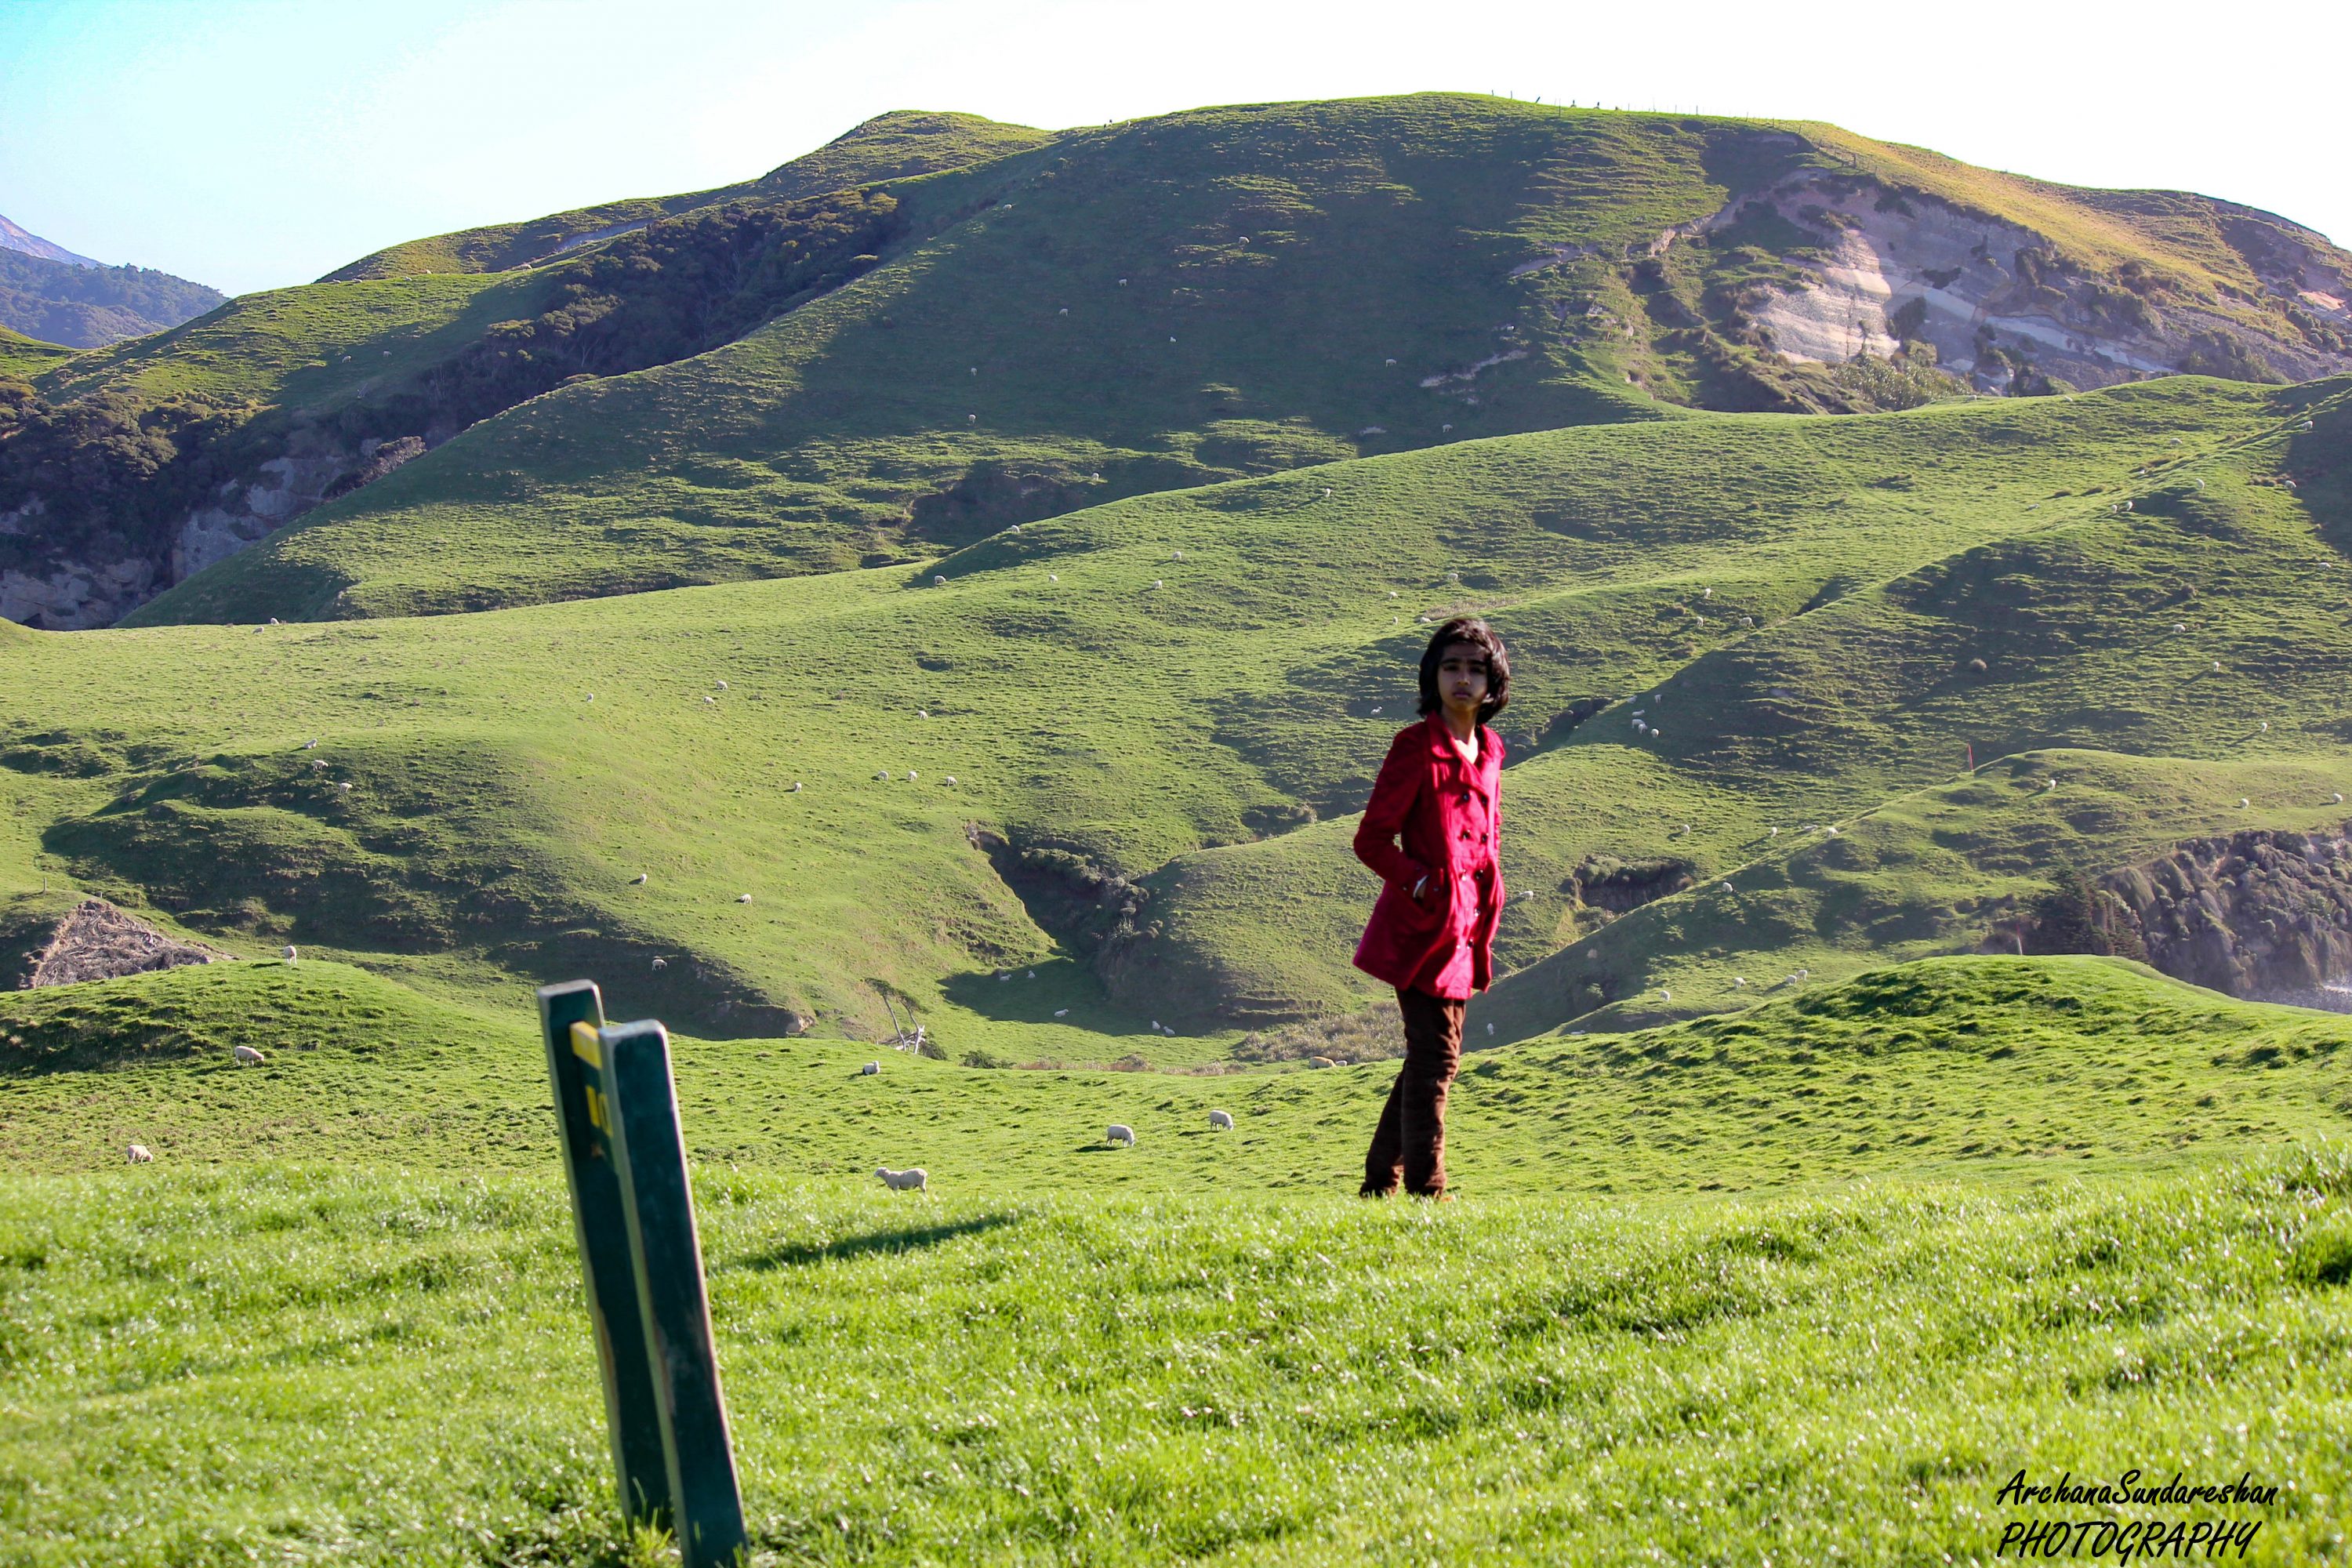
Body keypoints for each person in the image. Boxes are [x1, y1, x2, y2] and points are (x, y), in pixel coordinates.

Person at [1349, 617, 1510, 1199]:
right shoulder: (1414, 747)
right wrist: (1420, 883)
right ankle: (1427, 1193)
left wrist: (1491, 893)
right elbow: (1371, 840)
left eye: (1475, 669)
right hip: (1421, 930)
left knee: (1429, 1060)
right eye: (1451, 667)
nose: (1462, 679)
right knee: (1438, 1059)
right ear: (1433, 677)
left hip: (1467, 929)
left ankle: (1378, 1185)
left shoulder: (1490, 749)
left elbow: (1485, 835)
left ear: (1492, 684)